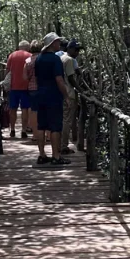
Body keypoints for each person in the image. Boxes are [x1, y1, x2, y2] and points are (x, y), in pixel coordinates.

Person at [35, 32, 71, 165]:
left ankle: (42, 155)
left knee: (41, 125)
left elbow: (37, 77)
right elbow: (59, 80)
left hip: (41, 95)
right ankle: (56, 156)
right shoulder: (55, 59)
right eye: (57, 42)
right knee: (55, 127)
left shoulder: (39, 58)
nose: (59, 44)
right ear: (52, 44)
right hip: (53, 96)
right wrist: (66, 96)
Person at [5, 41, 33, 138]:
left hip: (13, 86)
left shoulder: (12, 55)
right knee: (25, 109)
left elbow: (7, 70)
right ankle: (23, 130)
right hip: (26, 86)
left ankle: (12, 129)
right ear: (28, 47)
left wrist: (6, 82)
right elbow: (30, 69)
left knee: (13, 108)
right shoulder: (29, 56)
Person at [60, 39, 82, 153]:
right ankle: (63, 146)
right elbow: (70, 78)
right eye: (76, 50)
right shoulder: (68, 60)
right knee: (67, 120)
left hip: (61, 92)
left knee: (62, 119)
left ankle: (61, 144)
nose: (77, 53)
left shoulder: (61, 57)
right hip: (68, 93)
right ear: (70, 49)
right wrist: (80, 90)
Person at [23, 41, 44, 159]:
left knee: (33, 111)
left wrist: (31, 78)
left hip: (31, 88)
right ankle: (47, 136)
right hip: (42, 88)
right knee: (44, 111)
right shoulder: (42, 59)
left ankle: (35, 135)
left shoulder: (28, 61)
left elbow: (24, 76)